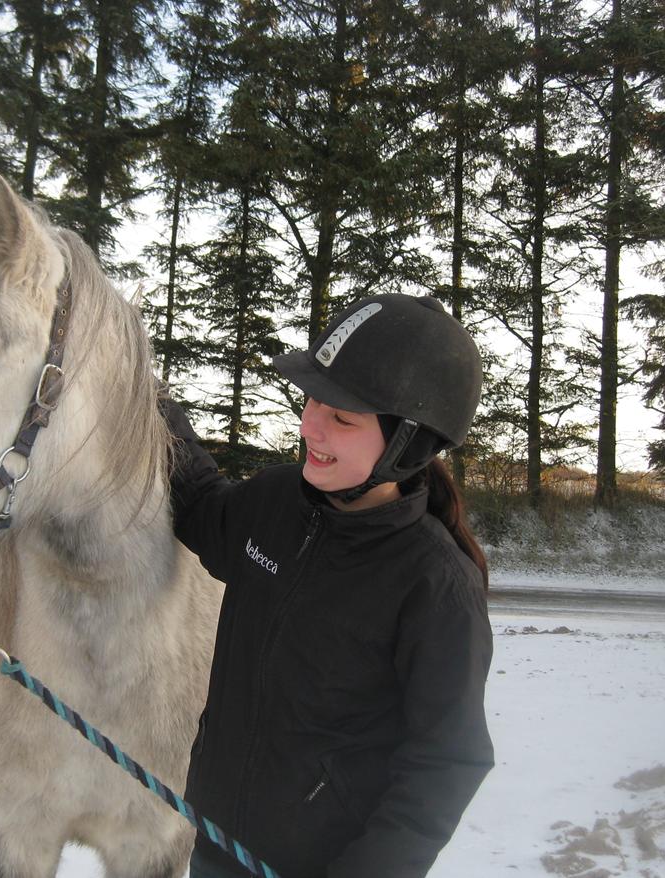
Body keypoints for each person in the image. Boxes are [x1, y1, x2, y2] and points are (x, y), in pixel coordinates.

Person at [161, 294, 494, 878]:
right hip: (216, 844)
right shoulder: (273, 502)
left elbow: (447, 760)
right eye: (313, 398)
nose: (310, 424)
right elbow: (198, 503)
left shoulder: (435, 585)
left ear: (407, 445)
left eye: (343, 417)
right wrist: (150, 403)